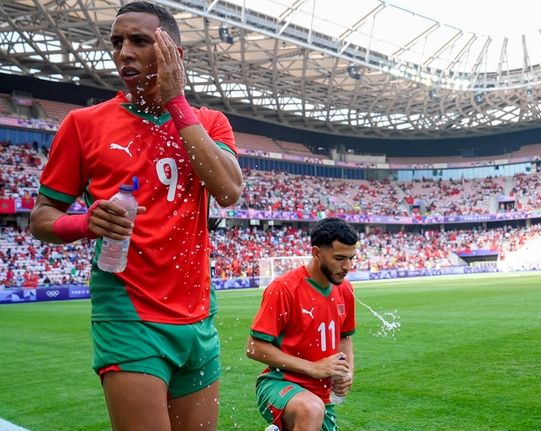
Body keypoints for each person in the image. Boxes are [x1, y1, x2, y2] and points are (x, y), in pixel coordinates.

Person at [30, 2, 243, 430]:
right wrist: (85, 222)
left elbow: (229, 191)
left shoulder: (209, 122)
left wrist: (176, 102)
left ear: (173, 55)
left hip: (198, 316)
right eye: (117, 42)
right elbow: (42, 217)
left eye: (140, 41)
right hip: (128, 314)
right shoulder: (83, 124)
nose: (123, 52)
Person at [247, 218, 359, 431]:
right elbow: (254, 347)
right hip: (279, 383)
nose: (347, 267)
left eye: (351, 258)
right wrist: (314, 368)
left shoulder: (345, 290)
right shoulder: (284, 288)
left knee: (314, 409)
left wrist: (348, 371)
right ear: (317, 253)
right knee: (311, 410)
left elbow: (344, 337)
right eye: (339, 258)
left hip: (322, 395)